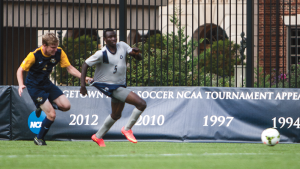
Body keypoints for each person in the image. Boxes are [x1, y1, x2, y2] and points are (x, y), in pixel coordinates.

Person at [16, 32, 92, 146]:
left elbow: (69, 68)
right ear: (44, 46)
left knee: (66, 106)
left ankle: (42, 105)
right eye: (52, 47)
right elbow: (20, 70)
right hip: (34, 87)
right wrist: (21, 84)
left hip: (46, 83)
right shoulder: (34, 55)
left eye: (56, 47)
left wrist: (84, 77)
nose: (55, 50)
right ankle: (39, 138)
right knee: (51, 115)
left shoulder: (59, 52)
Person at [80, 28, 147, 147]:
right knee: (141, 104)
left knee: (116, 115)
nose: (113, 39)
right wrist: (83, 86)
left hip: (120, 84)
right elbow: (85, 65)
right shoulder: (102, 53)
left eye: (114, 36)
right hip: (109, 86)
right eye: (110, 37)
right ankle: (127, 129)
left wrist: (137, 54)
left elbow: (138, 58)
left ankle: (98, 136)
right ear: (105, 40)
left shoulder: (122, 45)